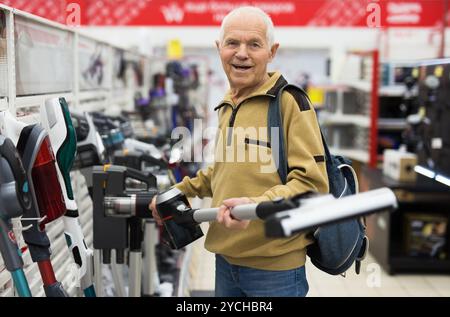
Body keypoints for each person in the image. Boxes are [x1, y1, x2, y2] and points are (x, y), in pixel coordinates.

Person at [150, 6, 329, 297]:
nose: (241, 53)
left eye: (254, 44)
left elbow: (311, 185)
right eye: (232, 43)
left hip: (275, 269)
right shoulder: (228, 104)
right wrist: (176, 192)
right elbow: (221, 171)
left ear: (272, 51)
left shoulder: (288, 103)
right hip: (226, 261)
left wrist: (255, 206)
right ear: (219, 48)